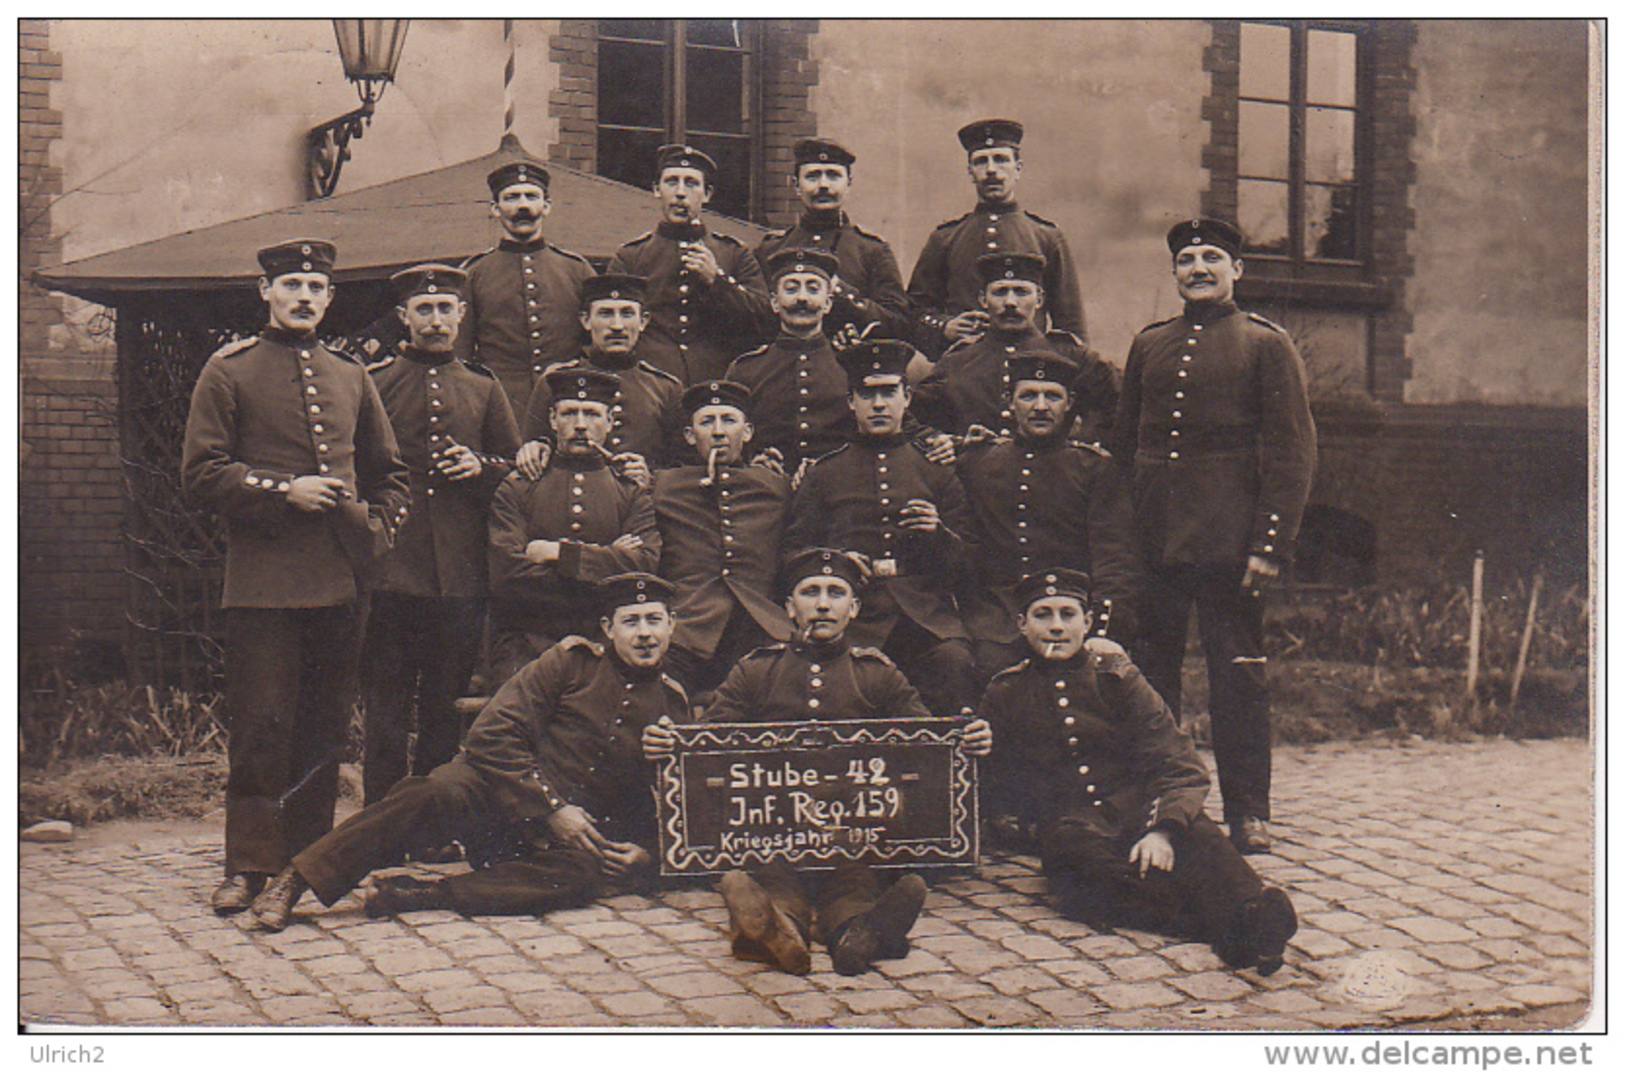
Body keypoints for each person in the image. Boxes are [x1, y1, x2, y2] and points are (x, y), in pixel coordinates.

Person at [246, 573, 691, 931]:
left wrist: (647, 854)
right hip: (497, 804)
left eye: (654, 620)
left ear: (671, 626)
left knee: (583, 875)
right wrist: (551, 808)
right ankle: (296, 879)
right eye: (631, 621)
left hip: (553, 846)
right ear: (608, 629)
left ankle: (425, 895)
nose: (645, 633)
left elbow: (679, 811)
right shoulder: (570, 663)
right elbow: (492, 734)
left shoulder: (675, 707)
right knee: (434, 789)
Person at [182, 238, 409, 915]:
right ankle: (248, 864)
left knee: (325, 725)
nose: (304, 297)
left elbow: (389, 474)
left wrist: (374, 532)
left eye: (315, 287)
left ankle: (305, 864)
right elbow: (200, 472)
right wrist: (284, 490)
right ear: (266, 293)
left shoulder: (350, 375)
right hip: (264, 580)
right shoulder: (229, 371)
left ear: (329, 298)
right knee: (262, 724)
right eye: (291, 286)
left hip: (340, 581)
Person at [643, 548, 992, 976]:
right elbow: (710, 747)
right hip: (772, 831)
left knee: (857, 881)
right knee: (773, 879)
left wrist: (966, 738)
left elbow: (927, 745)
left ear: (854, 608)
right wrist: (670, 743)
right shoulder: (756, 671)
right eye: (810, 592)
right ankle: (779, 929)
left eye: (835, 593)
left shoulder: (877, 674)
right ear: (790, 607)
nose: (823, 603)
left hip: (855, 833)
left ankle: (857, 934)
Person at [1112, 218, 1318, 854]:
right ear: (1174, 272)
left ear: (1237, 270)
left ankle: (1248, 810)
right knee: (1152, 677)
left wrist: (1269, 545)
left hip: (1230, 546)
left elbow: (1292, 453)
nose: (1198, 268)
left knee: (1238, 676)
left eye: (1212, 258)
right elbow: (1125, 450)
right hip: (1157, 542)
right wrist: (1124, 542)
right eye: (1186, 260)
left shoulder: (1264, 345)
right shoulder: (1150, 345)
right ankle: (1162, 799)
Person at [979, 568, 1298, 975]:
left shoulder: (1117, 678)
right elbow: (996, 785)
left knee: (1200, 837)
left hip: (1140, 805)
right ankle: (1237, 930)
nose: (1056, 627)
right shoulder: (1005, 692)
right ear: (1022, 625)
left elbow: (1181, 765)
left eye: (1068, 614)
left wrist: (1161, 830)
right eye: (1043, 615)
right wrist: (980, 750)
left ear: (1088, 623)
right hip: (1074, 828)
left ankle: (1258, 914)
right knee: (1085, 883)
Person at [359, 264, 521, 805]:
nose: (435, 320)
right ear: (404, 317)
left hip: (460, 574)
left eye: (445, 309)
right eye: (423, 310)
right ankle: (381, 816)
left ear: (461, 315)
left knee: (443, 708)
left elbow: (514, 472)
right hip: (390, 571)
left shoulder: (482, 386)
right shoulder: (374, 383)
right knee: (386, 705)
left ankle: (431, 818)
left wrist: (481, 467)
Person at [785, 339, 978, 719]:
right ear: (850, 402)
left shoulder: (937, 472)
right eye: (867, 394)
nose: (878, 405)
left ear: (907, 398)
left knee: (954, 662)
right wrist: (833, 562)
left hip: (925, 620)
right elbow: (792, 557)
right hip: (853, 621)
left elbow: (971, 568)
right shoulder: (823, 474)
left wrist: (938, 535)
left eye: (889, 393)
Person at [956, 351, 1140, 683]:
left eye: (1052, 396)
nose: (1041, 406)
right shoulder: (979, 463)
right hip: (997, 620)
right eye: (1028, 396)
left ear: (1069, 403)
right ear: (1009, 402)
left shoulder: (1094, 469)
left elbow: (1114, 559)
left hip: (1071, 616)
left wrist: (1101, 630)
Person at [487, 367, 659, 687]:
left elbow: (644, 564)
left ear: (610, 422)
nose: (580, 424)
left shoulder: (630, 491)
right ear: (552, 420)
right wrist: (606, 561)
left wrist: (558, 554)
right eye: (569, 413)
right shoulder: (520, 485)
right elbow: (507, 574)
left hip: (604, 642)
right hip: (529, 639)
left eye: (592, 414)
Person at [651, 379, 793, 697]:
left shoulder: (777, 487)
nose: (718, 431)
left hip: (759, 627)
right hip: (687, 630)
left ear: (747, 432)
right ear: (689, 435)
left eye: (729, 420)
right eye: (706, 422)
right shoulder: (663, 486)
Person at [907, 119, 1086, 358]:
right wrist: (945, 327)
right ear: (970, 171)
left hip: (1029, 373)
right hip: (962, 372)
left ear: (1018, 169)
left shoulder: (1046, 237)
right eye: (981, 161)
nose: (991, 170)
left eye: (1001, 160)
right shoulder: (945, 239)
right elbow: (913, 311)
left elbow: (1071, 326)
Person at [609, 144, 771, 385]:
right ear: (656, 189)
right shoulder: (631, 257)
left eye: (692, 183)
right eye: (672, 182)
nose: (681, 193)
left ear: (707, 194)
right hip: (650, 385)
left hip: (717, 383)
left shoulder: (735, 254)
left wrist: (717, 281)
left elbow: (764, 320)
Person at [914, 251, 1116, 441]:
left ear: (1039, 299)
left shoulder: (1072, 356)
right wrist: (948, 443)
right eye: (1000, 292)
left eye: (1021, 292)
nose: (1010, 302)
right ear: (983, 300)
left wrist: (1081, 450)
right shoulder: (956, 363)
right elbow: (911, 419)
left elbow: (1118, 408)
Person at [456, 158, 597, 415]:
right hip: (501, 406)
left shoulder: (577, 270)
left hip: (567, 403)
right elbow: (461, 354)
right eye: (511, 198)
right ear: (495, 208)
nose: (522, 206)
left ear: (546, 206)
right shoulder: (473, 273)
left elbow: (597, 344)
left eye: (531, 197)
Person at [516, 273, 683, 483]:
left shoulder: (665, 388)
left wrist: (651, 478)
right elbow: (531, 450)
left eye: (627, 314)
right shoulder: (556, 380)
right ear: (586, 321)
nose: (617, 326)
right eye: (605, 314)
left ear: (643, 321)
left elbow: (681, 466)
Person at [753, 137, 912, 342]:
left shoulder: (871, 250)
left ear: (849, 183)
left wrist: (843, 294)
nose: (823, 185)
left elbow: (899, 324)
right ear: (796, 185)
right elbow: (756, 319)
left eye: (833, 175)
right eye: (812, 176)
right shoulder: (771, 249)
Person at [724, 247, 857, 473]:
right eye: (791, 289)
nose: (802, 298)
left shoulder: (850, 367)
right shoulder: (745, 370)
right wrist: (749, 463)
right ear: (775, 302)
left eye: (813, 289)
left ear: (828, 303)